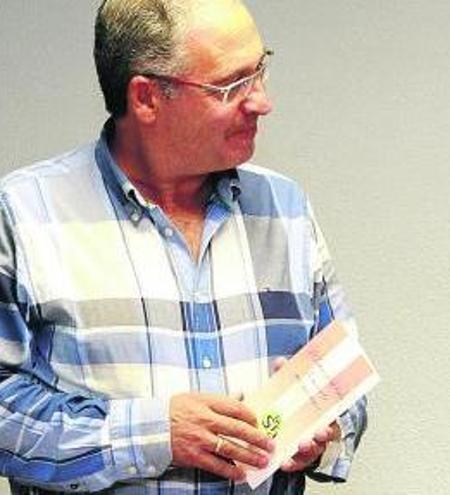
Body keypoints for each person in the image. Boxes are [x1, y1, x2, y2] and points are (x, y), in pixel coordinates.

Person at [0, 0, 366, 493]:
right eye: (232, 85)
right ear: (147, 98)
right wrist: (155, 434)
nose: (262, 101)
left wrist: (324, 429)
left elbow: (346, 378)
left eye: (260, 71)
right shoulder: (24, 214)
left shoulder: (285, 209)